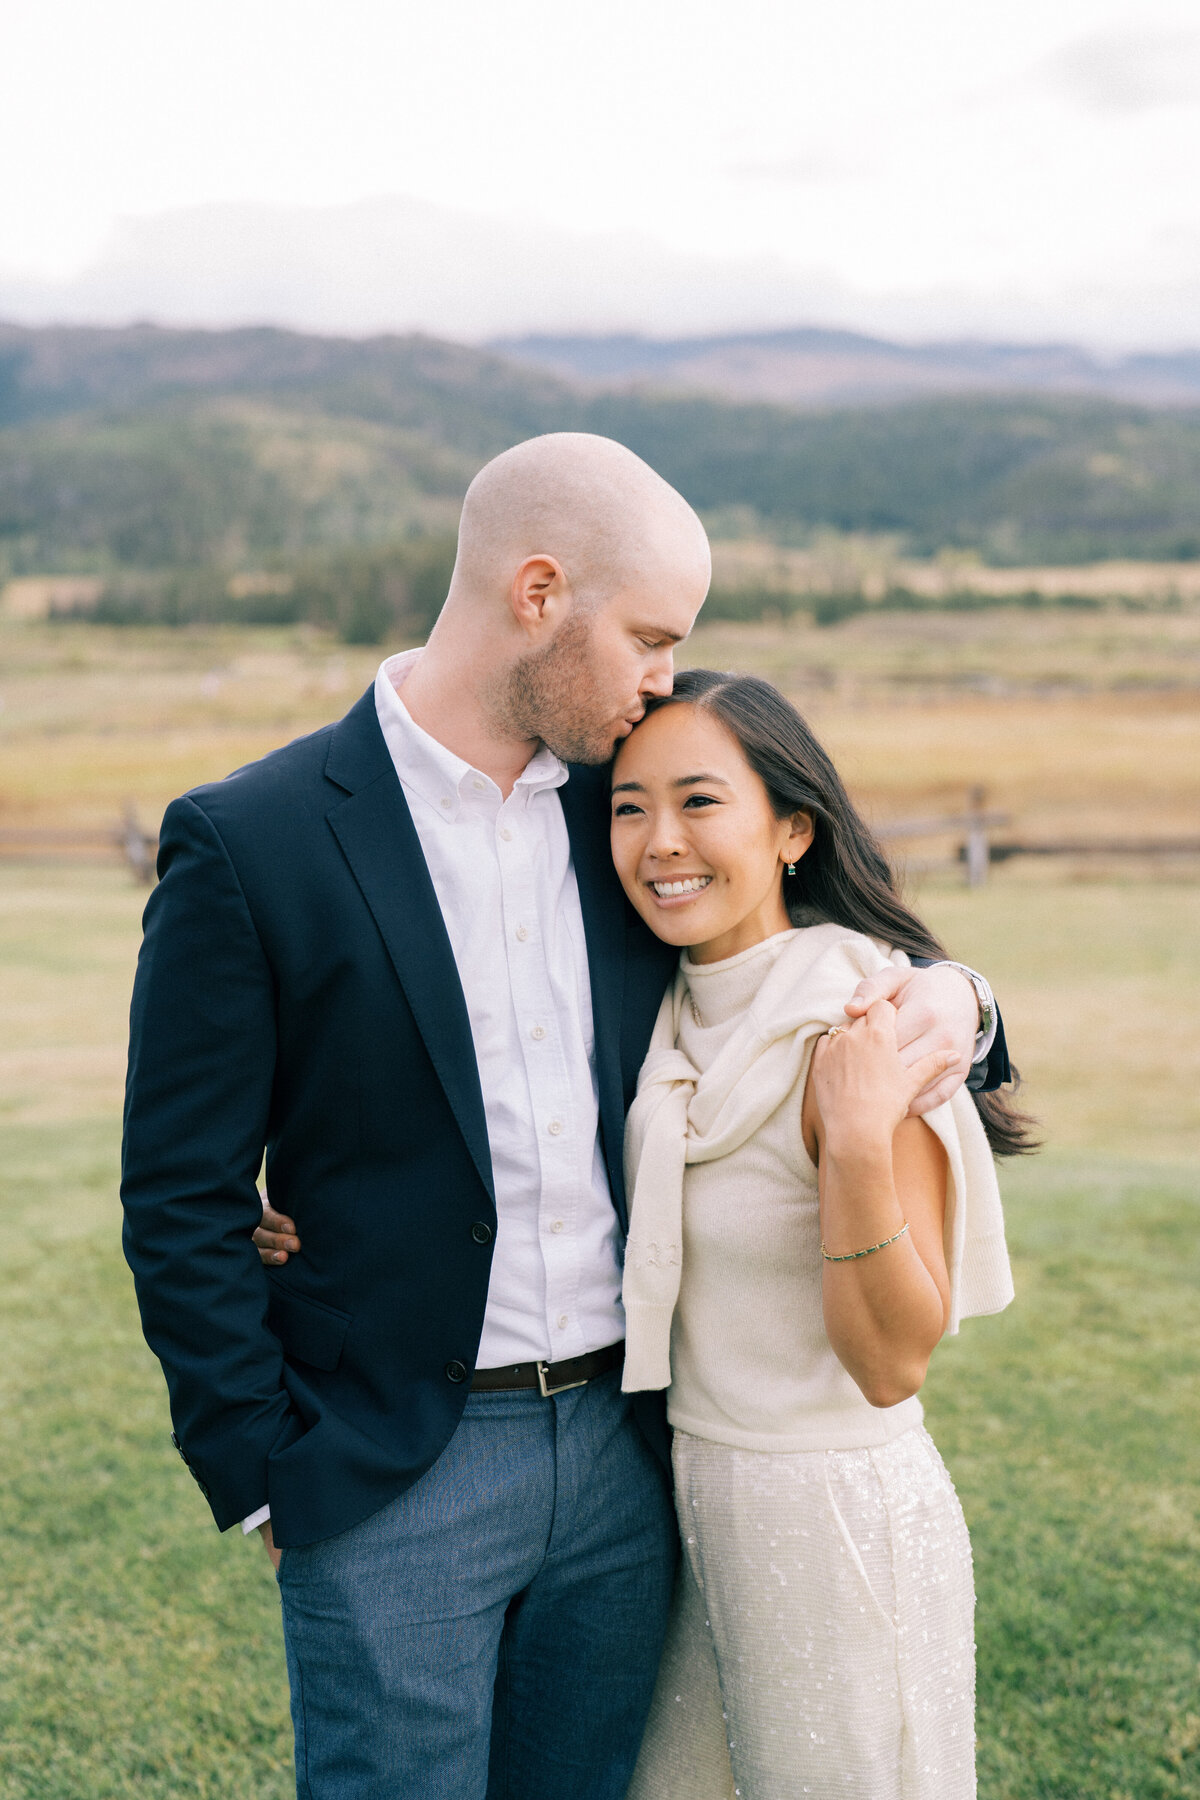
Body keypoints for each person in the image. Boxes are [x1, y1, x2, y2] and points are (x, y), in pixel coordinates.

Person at [122, 432, 1007, 1800]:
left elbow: (817, 933)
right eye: (652, 635)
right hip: (389, 1470)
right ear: (540, 593)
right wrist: (261, 1473)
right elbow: (177, 1194)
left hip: (626, 1452)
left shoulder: (633, 815)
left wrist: (966, 999)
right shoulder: (255, 839)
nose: (665, 676)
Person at [603, 669, 1033, 1800]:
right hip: (692, 1500)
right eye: (629, 806)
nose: (660, 842)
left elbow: (893, 1362)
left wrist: (852, 1146)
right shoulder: (664, 1008)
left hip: (832, 1519)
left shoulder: (866, 1019)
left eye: (700, 801)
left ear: (794, 828)